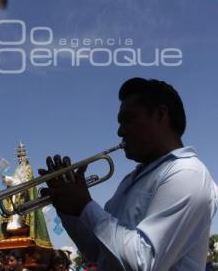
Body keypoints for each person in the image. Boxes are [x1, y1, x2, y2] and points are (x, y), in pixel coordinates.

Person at [39, 78, 218, 270]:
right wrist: (69, 211)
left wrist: (84, 205)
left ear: (160, 115)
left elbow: (143, 263)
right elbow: (97, 253)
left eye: (128, 119)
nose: (120, 131)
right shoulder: (129, 180)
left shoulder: (186, 173)